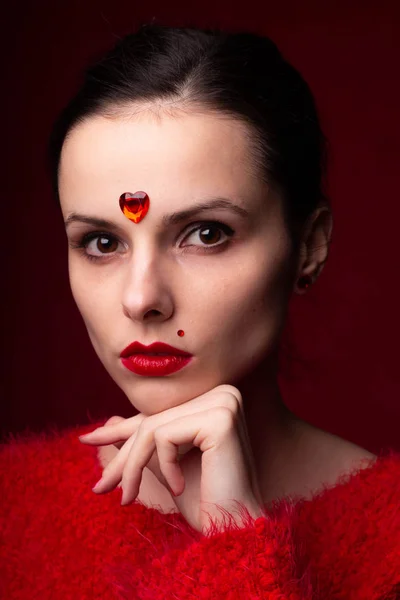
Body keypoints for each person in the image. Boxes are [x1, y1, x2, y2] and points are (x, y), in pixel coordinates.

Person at [1, 22, 399, 599]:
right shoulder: (13, 508)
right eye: (103, 243)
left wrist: (236, 536)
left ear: (308, 244)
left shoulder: (388, 547)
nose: (141, 300)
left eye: (206, 234)